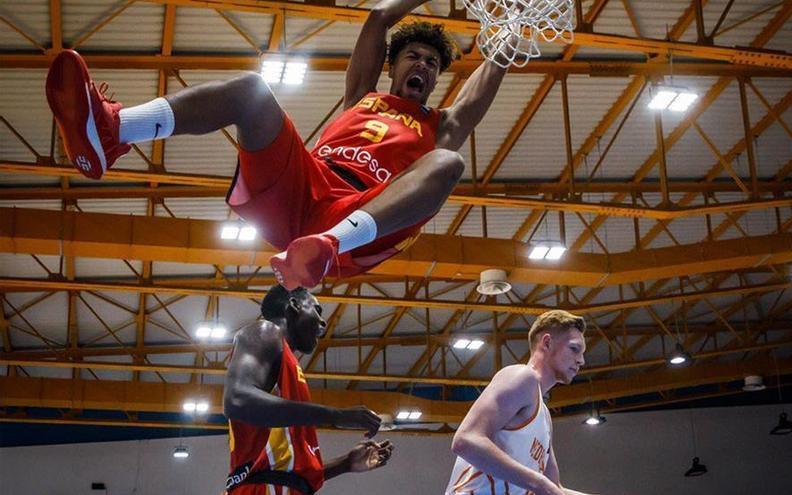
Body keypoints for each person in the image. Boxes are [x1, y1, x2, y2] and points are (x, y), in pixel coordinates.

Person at [45, 0, 509, 290]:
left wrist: (510, 31)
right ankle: (113, 132)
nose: (424, 65)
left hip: (360, 217)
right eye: (414, 55)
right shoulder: (362, 95)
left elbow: (483, 86)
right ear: (394, 65)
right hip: (305, 183)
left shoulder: (440, 124)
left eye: (432, 63)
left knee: (448, 161)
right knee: (251, 90)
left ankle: (324, 246)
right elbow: (379, 16)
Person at [223, 285, 393, 494]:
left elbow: (289, 472)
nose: (323, 323)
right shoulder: (264, 331)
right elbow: (237, 399)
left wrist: (345, 464)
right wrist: (336, 416)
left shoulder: (289, 368)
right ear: (294, 305)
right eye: (317, 311)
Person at [445, 310, 591, 495]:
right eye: (574, 349)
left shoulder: (544, 417)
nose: (581, 360)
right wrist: (539, 483)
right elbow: (465, 440)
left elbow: (555, 488)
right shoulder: (522, 376)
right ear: (547, 342)